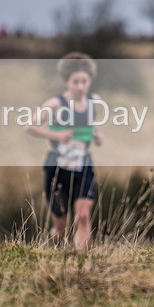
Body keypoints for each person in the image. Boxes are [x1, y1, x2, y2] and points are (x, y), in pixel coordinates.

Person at [25, 53, 103, 250]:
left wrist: (96, 134)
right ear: (67, 81)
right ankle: (56, 251)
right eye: (75, 82)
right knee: (61, 231)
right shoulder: (56, 104)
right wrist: (56, 135)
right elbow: (29, 126)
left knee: (83, 217)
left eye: (84, 81)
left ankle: (83, 262)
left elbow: (88, 125)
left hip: (83, 165)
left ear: (90, 81)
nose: (80, 86)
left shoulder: (95, 102)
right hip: (58, 168)